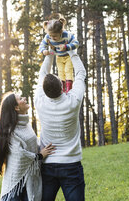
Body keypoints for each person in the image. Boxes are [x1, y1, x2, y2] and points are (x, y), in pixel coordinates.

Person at [34, 49, 86, 201]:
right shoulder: (73, 101)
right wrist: (72, 52)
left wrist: (50, 52)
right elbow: (80, 74)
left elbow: (42, 74)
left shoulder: (40, 102)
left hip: (48, 164)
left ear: (44, 90)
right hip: (71, 165)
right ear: (63, 87)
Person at [0, 92, 55, 201]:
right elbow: (20, 155)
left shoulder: (25, 124)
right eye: (20, 98)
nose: (25, 98)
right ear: (16, 107)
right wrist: (39, 156)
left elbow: (33, 145)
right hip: (15, 186)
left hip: (29, 181)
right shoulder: (12, 131)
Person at [39, 13, 79, 93]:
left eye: (55, 36)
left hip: (68, 57)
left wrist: (66, 46)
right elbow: (42, 45)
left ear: (60, 32)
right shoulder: (48, 37)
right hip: (59, 57)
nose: (52, 38)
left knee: (68, 71)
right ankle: (62, 89)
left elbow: (76, 43)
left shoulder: (66, 35)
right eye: (50, 36)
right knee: (60, 72)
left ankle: (69, 89)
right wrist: (44, 50)